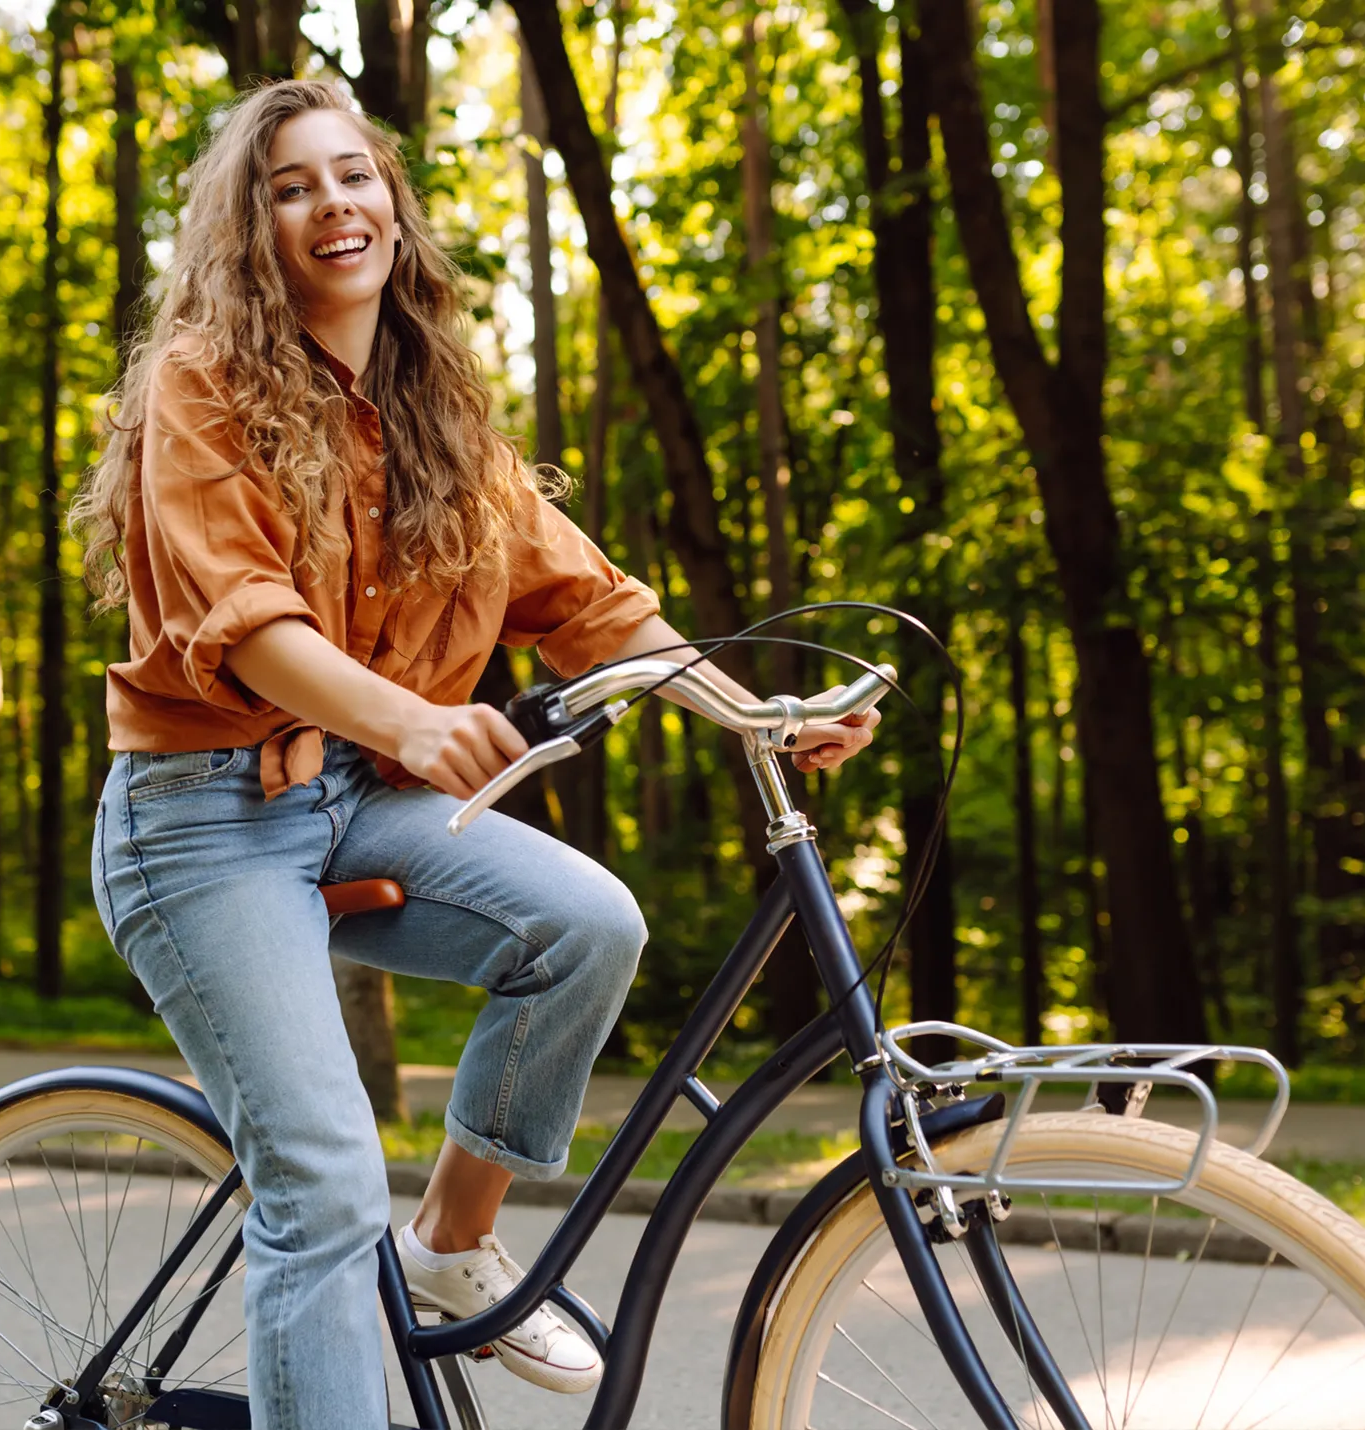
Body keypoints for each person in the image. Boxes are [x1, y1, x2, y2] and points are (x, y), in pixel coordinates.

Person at [71, 79, 878, 1429]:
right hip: (197, 822)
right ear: (249, 227)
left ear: (392, 205)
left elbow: (595, 606)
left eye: (354, 174)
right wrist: (406, 718)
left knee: (586, 923)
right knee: (323, 1184)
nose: (333, 203)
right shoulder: (197, 382)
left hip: (352, 800)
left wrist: (761, 715)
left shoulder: (438, 410)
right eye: (291, 185)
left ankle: (450, 1238)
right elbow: (247, 623)